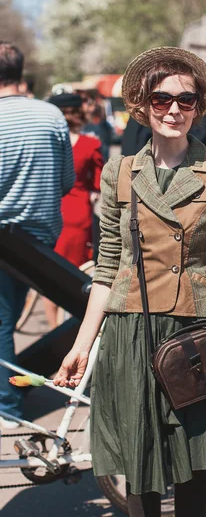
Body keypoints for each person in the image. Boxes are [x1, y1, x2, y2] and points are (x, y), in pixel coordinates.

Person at [53, 47, 206, 517]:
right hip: (128, 335)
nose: (173, 110)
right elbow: (107, 269)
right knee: (138, 465)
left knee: (192, 468)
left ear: (199, 107)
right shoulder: (120, 173)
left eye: (186, 100)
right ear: (142, 106)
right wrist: (83, 344)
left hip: (193, 332)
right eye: (162, 98)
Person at [0, 42, 75, 428]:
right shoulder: (50, 115)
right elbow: (66, 180)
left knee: (1, 320)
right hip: (40, 235)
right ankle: (16, 385)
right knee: (9, 316)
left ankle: (8, 406)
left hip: (2, 235)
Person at [43, 93, 104, 329]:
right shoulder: (91, 144)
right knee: (78, 276)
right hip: (79, 214)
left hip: (54, 209)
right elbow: (98, 185)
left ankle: (52, 329)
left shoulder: (48, 142)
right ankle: (73, 332)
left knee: (49, 276)